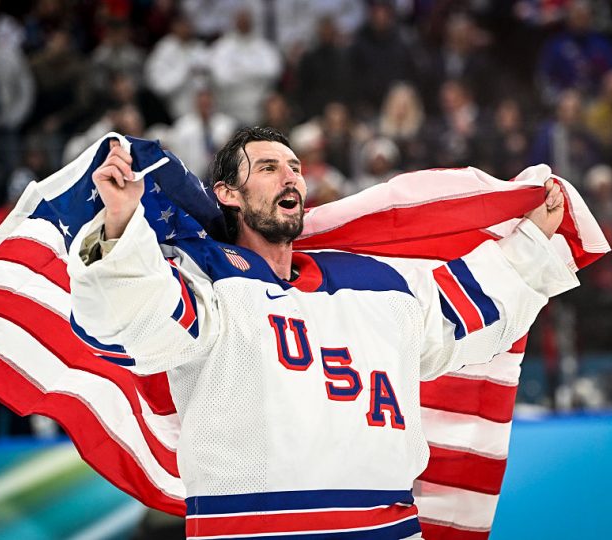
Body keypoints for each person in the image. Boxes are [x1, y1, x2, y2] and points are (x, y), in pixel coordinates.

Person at [67, 126, 576, 538]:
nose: (289, 177)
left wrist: (532, 240)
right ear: (227, 194)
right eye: (268, 168)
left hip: (389, 530)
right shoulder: (207, 283)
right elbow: (139, 316)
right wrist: (120, 223)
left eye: (294, 168)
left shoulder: (376, 283)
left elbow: (457, 314)